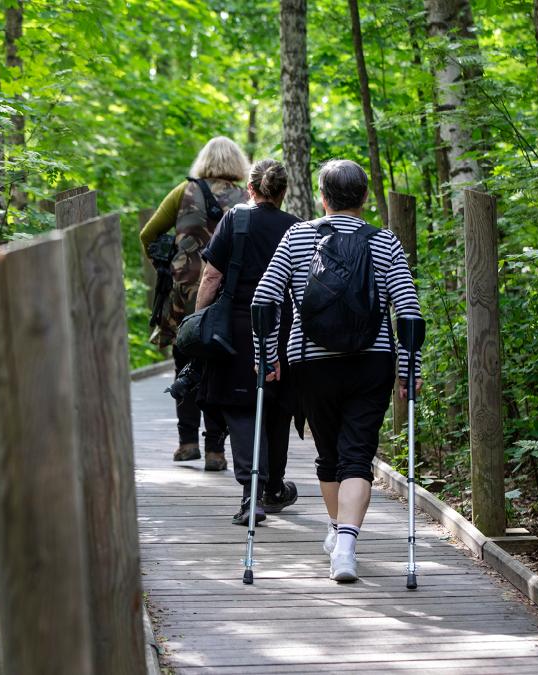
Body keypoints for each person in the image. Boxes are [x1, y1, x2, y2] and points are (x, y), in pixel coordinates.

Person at [251, 159, 423, 582]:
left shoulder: (298, 236)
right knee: (358, 456)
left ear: (322, 198)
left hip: (310, 364)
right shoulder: (385, 242)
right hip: (372, 361)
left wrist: (266, 356)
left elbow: (264, 301)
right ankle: (344, 540)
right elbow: (410, 313)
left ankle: (340, 535)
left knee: (329, 456)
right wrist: (408, 367)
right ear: (365, 198)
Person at [195, 159, 300, 525]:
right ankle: (270, 488)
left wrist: (199, 320)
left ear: (250, 189)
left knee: (242, 410)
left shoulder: (236, 219)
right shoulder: (297, 228)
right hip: (283, 328)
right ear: (283, 192)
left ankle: (252, 494)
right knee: (276, 409)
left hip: (238, 328)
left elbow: (211, 276)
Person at [140, 137, 250, 471]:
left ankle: (187, 443)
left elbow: (148, 233)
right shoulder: (248, 197)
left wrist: (167, 262)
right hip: (229, 294)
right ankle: (216, 450)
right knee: (219, 366)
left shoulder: (183, 192)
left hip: (186, 293)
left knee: (185, 361)